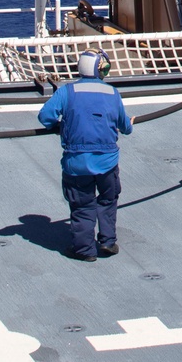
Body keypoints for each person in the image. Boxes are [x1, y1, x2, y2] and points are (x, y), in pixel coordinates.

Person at [38, 48, 132, 262]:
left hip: (77, 163)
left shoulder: (66, 92)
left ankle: (84, 250)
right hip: (107, 162)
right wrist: (128, 126)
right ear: (101, 70)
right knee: (108, 200)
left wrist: (62, 125)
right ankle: (107, 242)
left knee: (82, 206)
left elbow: (45, 117)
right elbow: (125, 126)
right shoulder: (112, 93)